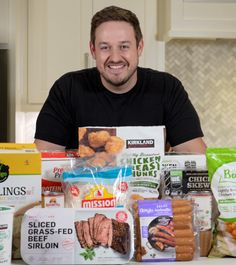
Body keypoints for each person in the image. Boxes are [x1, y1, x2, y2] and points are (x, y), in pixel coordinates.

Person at [34, 5, 207, 153]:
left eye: (124, 46)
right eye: (105, 47)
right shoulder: (68, 89)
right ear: (93, 50)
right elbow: (42, 158)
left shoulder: (167, 88)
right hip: (85, 191)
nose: (115, 57)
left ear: (139, 47)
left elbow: (196, 156)